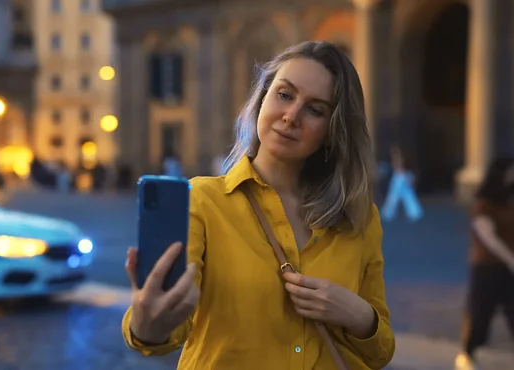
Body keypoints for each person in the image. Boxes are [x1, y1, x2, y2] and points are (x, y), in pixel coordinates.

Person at [122, 41, 395, 369]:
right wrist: (148, 323)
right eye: (284, 94)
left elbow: (380, 352)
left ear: (332, 130)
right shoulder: (204, 202)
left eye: (316, 109)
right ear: (263, 98)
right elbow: (166, 327)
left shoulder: (360, 219)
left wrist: (359, 315)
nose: (292, 116)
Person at [455, 157, 514, 370]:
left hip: (507, 269)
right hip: (487, 268)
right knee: (480, 313)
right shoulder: (483, 203)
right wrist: (511, 259)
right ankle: (467, 354)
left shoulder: (507, 201)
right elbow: (487, 237)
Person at [380, 146, 423, 222]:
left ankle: (414, 212)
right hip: (398, 177)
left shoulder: (400, 159)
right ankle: (388, 213)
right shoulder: (395, 159)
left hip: (402, 176)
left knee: (408, 196)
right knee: (393, 197)